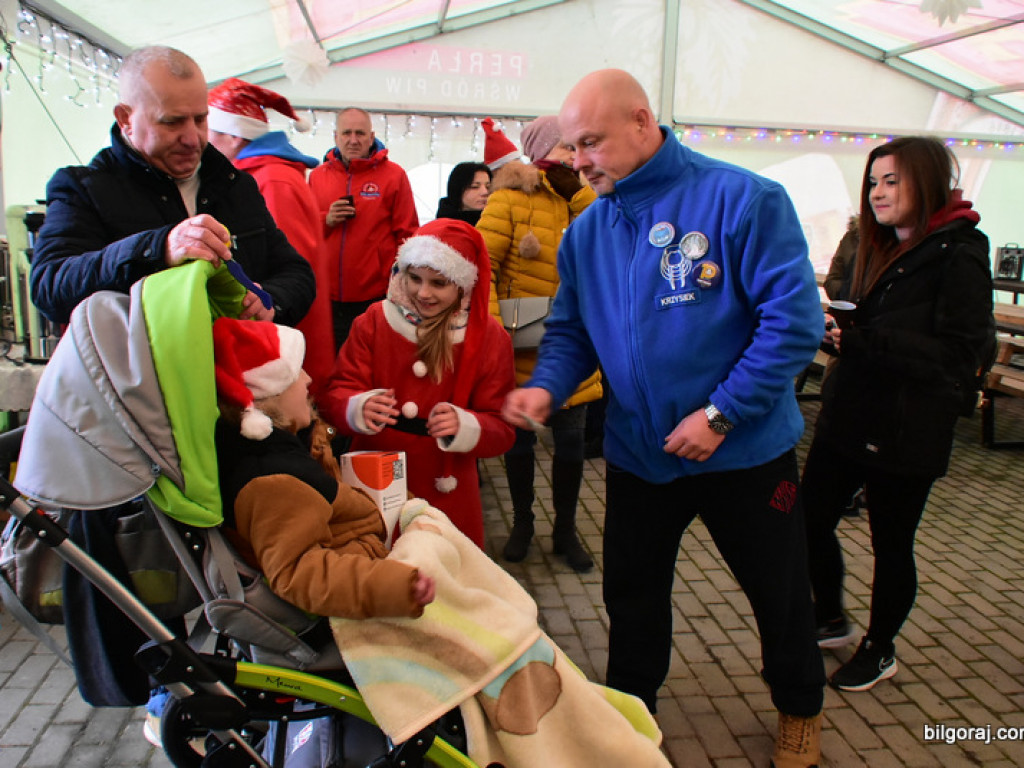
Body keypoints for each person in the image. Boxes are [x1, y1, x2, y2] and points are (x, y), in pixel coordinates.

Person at [503, 69, 827, 767]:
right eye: (572, 147)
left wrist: (721, 413)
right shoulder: (587, 231)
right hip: (640, 456)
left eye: (593, 142)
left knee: (778, 589)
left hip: (742, 453)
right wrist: (546, 389)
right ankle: (630, 712)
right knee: (632, 594)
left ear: (643, 122)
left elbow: (793, 323)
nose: (580, 160)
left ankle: (800, 707)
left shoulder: (743, 199)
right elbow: (569, 333)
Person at [803, 137, 995, 692]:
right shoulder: (875, 243)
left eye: (892, 181)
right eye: (873, 182)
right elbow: (878, 326)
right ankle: (830, 615)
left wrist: (867, 340)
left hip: (908, 426)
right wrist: (845, 333)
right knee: (807, 517)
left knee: (891, 544)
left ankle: (879, 647)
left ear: (927, 182)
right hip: (850, 411)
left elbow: (960, 356)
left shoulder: (960, 252)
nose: (879, 192)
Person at [30, 46, 315, 327]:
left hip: (236, 369)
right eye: (172, 122)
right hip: (138, 371)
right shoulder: (84, 189)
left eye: (201, 119)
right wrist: (157, 248)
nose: (192, 138)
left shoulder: (235, 185)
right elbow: (50, 288)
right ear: (125, 119)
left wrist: (269, 300)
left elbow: (295, 271)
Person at [212, 316, 435, 619]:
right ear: (268, 397)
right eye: (295, 373)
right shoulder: (273, 480)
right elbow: (299, 571)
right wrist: (395, 586)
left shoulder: (290, 443)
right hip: (363, 586)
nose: (307, 380)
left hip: (364, 554)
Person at [319, 218, 516, 549]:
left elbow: (503, 429)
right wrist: (357, 407)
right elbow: (336, 393)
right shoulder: (374, 322)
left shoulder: (489, 339)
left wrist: (467, 425)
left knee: (444, 583)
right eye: (414, 278)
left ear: (463, 286)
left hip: (447, 487)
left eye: (438, 283)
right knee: (377, 574)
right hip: (375, 477)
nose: (423, 293)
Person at [477, 115, 600, 572]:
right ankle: (523, 524)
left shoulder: (587, 197)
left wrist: (579, 193)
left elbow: (616, 237)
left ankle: (565, 529)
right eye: (567, 146)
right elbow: (482, 266)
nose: (575, 156)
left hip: (576, 346)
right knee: (520, 444)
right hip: (520, 346)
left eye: (578, 147)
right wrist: (494, 336)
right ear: (544, 149)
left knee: (571, 445)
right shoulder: (508, 199)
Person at [206, 78, 335, 398]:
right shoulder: (259, 175)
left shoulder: (271, 178)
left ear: (233, 134)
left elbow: (287, 267)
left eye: (208, 130)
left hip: (284, 343)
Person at [308, 107, 419, 349]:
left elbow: (408, 234)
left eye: (360, 133)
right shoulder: (317, 176)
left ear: (371, 136)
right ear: (336, 136)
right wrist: (326, 219)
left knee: (371, 360)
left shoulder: (393, 176)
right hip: (327, 297)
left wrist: (402, 287)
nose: (353, 140)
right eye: (347, 133)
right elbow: (304, 229)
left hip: (376, 295)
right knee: (331, 364)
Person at [823, 214, 860, 301]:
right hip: (851, 307)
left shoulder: (894, 238)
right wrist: (848, 292)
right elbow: (831, 282)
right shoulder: (851, 237)